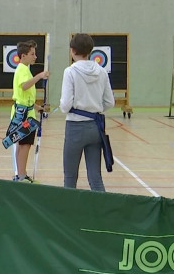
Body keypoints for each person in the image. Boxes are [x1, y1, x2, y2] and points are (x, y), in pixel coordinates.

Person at [59, 34, 115, 192]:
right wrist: (94, 109)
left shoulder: (70, 71)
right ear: (90, 51)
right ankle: (102, 213)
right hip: (95, 128)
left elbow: (65, 106)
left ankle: (68, 214)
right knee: (95, 176)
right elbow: (110, 102)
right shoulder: (102, 71)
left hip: (75, 128)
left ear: (72, 50)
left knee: (70, 176)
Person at [10, 40, 49, 183]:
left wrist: (37, 107)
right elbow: (25, 86)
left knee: (22, 144)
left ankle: (21, 174)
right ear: (23, 56)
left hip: (25, 111)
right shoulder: (22, 69)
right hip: (23, 115)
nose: (35, 57)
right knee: (24, 145)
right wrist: (40, 76)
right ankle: (21, 175)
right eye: (32, 54)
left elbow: (24, 95)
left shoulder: (25, 69)